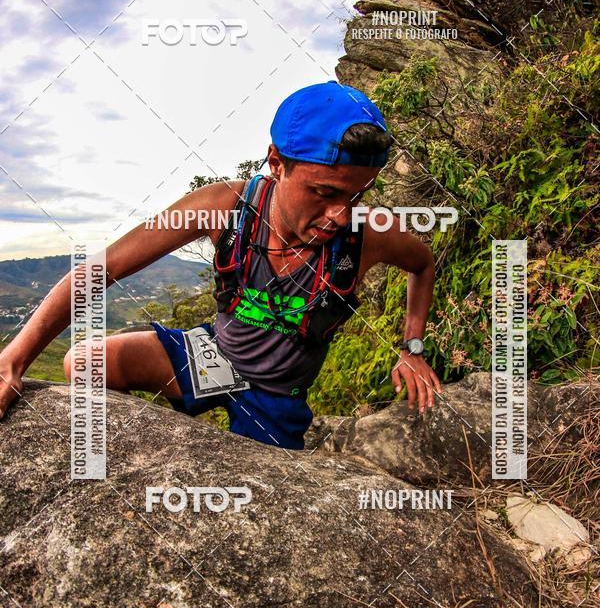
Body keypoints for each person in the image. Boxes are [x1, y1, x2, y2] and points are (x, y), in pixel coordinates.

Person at [0, 80, 442, 449]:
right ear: (276, 162)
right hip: (214, 355)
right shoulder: (225, 207)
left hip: (276, 396)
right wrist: (13, 362)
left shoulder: (368, 234)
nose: (341, 214)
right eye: (325, 193)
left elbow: (422, 265)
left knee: (263, 502)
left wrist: (412, 347)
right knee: (85, 363)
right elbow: (102, 269)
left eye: (357, 195)